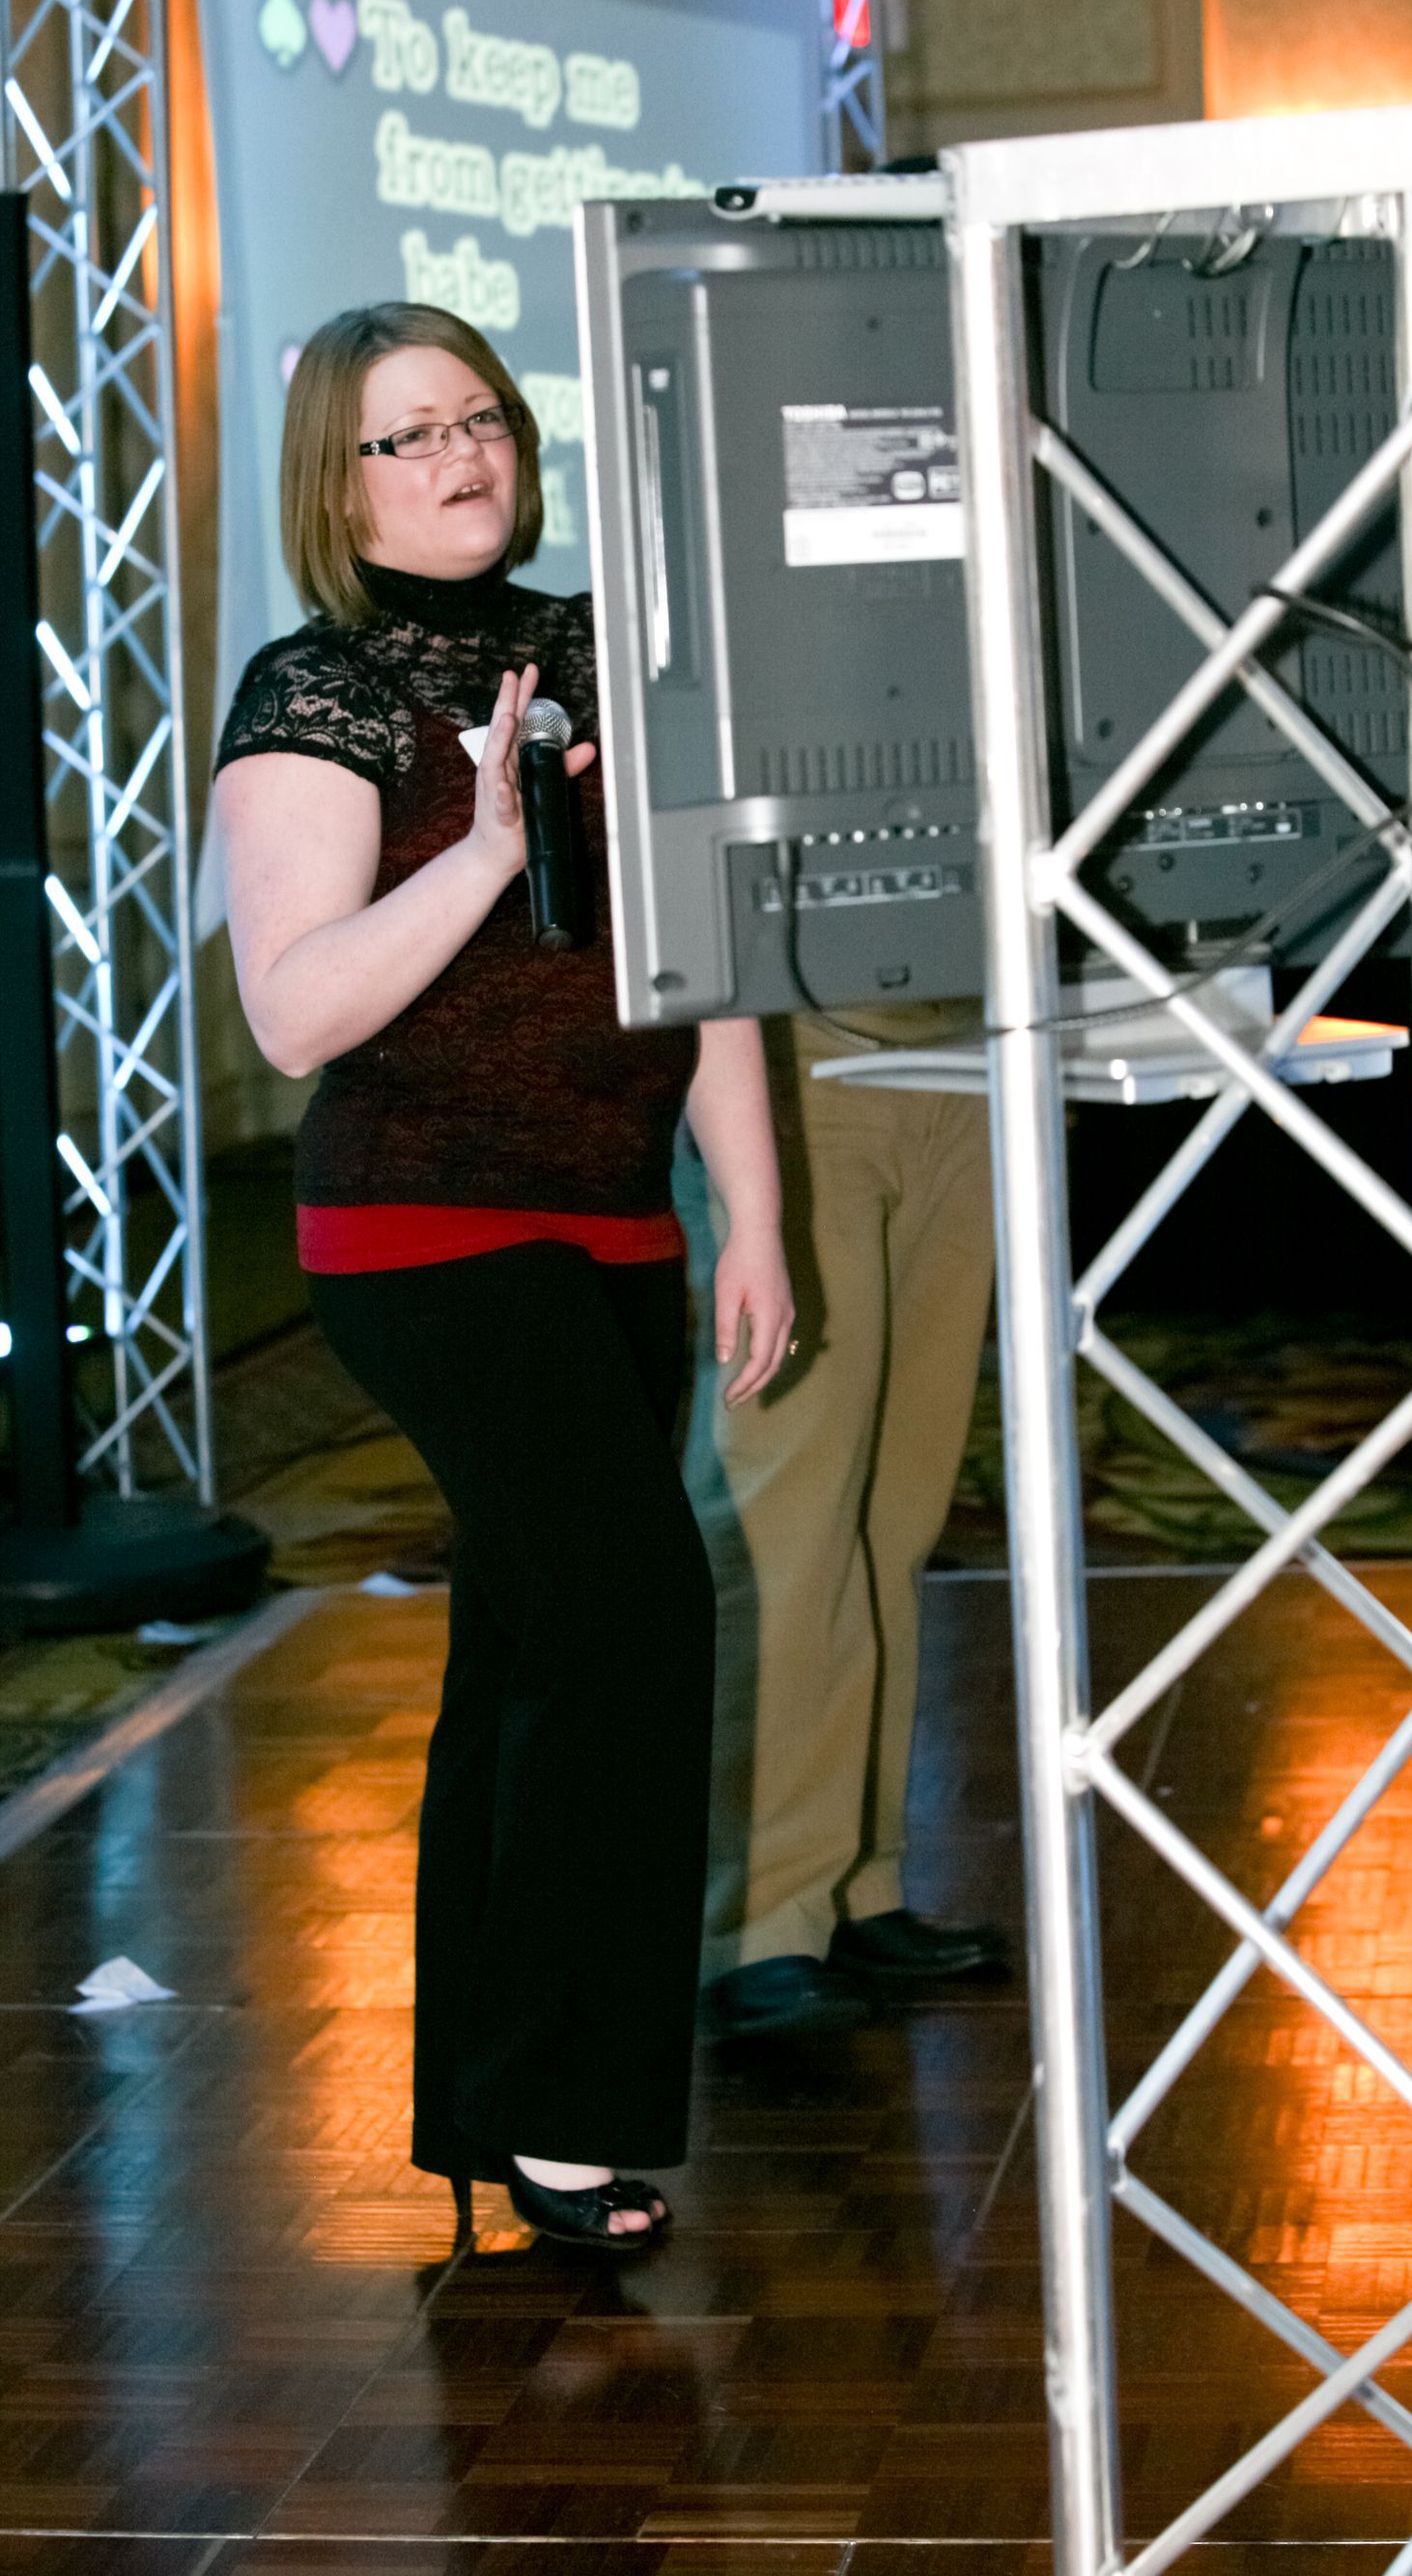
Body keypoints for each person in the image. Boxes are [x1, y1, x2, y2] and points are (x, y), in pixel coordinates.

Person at [215, 301, 794, 2246]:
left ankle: (480, 2097)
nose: (464, 457)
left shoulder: (599, 646)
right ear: (336, 478)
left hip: (619, 1221)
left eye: (482, 419)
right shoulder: (314, 694)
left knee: (539, 1646)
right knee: (634, 1618)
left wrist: (758, 1215)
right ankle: (568, 2111)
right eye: (409, 436)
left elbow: (696, 960)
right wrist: (481, 835)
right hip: (422, 1232)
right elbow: (295, 1017)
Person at [690, 999, 1005, 2041]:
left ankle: (854, 1888)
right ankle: (756, 1922)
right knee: (786, 1519)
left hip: (970, 1050)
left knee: (895, 1517)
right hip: (791, 1055)